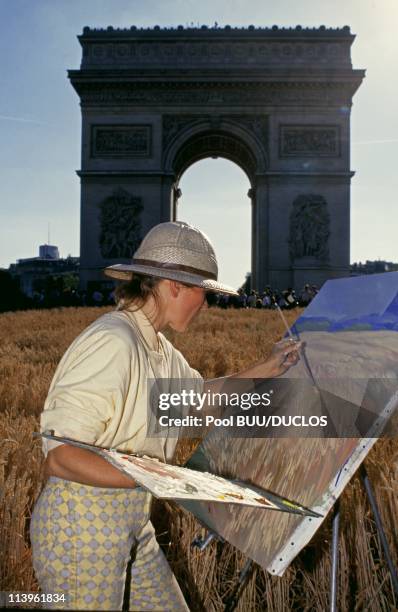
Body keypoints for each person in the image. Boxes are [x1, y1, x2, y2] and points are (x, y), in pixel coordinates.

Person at [30, 221, 300, 611]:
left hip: (133, 523)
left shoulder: (157, 347)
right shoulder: (113, 341)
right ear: (174, 285)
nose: (205, 304)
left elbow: (197, 401)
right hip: (81, 527)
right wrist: (167, 479)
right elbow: (61, 457)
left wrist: (266, 368)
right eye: (202, 292)